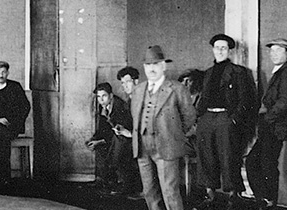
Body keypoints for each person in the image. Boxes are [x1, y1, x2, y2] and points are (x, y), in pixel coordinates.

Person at [130, 46, 196, 210]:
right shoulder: (138, 90)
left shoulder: (177, 89)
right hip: (142, 147)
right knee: (149, 192)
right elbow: (134, 116)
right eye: (148, 65)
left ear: (163, 66)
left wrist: (174, 135)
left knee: (170, 192)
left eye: (156, 64)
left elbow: (189, 116)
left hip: (167, 146)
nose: (151, 68)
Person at [195, 34, 257, 209]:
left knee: (228, 157)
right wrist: (200, 116)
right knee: (206, 156)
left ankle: (233, 196)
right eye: (217, 47)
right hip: (207, 118)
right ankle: (210, 195)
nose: (220, 51)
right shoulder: (208, 73)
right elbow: (204, 98)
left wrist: (234, 120)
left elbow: (246, 101)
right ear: (213, 50)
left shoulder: (239, 72)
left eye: (223, 48)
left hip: (226, 119)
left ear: (229, 50)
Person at [246, 38, 287, 210]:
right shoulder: (280, 71)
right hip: (270, 126)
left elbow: (285, 102)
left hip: (275, 127)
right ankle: (265, 199)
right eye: (272, 50)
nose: (273, 54)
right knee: (255, 162)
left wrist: (266, 116)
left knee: (266, 164)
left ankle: (269, 201)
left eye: (279, 50)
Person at [86, 82, 133, 195]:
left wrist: (101, 141)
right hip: (114, 137)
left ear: (111, 96)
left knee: (116, 149)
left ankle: (120, 184)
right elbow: (104, 128)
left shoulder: (119, 107)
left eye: (104, 96)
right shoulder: (103, 106)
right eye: (98, 97)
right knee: (100, 148)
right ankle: (103, 180)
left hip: (126, 138)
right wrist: (95, 139)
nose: (101, 100)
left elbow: (120, 130)